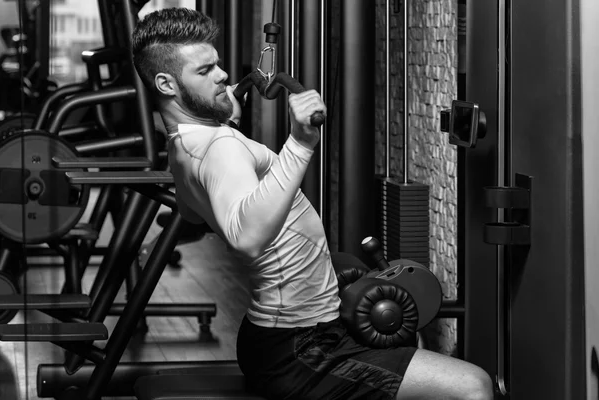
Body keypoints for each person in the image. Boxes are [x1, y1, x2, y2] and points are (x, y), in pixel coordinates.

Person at [132, 7, 494, 400]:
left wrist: (223, 119)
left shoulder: (183, 146)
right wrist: (300, 143)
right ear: (167, 84)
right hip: (303, 348)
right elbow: (247, 236)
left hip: (277, 337)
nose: (222, 75)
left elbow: (190, 211)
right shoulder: (219, 148)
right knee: (473, 387)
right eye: (204, 72)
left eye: (217, 64)